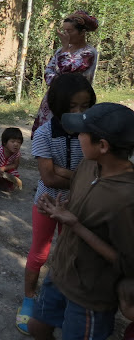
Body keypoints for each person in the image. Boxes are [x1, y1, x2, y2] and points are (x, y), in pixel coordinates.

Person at [27, 102, 134, 340]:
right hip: (61, 272)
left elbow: (127, 263)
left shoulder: (127, 198)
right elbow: (80, 204)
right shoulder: (88, 166)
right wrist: (59, 209)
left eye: (83, 133)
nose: (77, 136)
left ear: (103, 146)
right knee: (37, 328)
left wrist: (75, 225)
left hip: (90, 294)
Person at [16, 73, 96, 334]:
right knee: (40, 253)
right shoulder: (44, 134)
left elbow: (96, 173)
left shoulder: (91, 133)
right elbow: (48, 178)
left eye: (85, 106)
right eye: (72, 107)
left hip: (78, 203)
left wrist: (63, 172)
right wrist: (79, 177)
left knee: (70, 253)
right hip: (46, 201)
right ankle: (29, 298)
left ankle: (61, 299)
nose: (79, 113)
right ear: (58, 106)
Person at [31, 10, 99, 137]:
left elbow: (67, 69)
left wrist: (65, 49)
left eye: (70, 31)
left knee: (67, 136)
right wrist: (59, 81)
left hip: (74, 103)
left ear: (82, 32)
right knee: (47, 135)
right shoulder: (61, 50)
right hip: (54, 98)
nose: (65, 34)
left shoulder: (88, 53)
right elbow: (48, 71)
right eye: (64, 30)